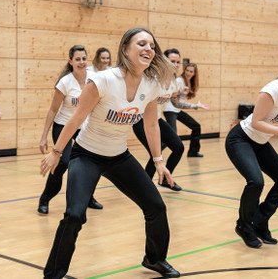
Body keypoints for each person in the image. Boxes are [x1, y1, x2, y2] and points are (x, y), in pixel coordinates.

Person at [40, 28, 180, 278]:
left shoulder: (151, 84)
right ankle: (53, 274)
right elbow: (76, 118)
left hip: (119, 156)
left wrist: (159, 161)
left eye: (151, 44)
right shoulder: (103, 80)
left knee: (156, 207)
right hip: (87, 155)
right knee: (74, 215)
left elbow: (151, 124)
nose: (149, 48)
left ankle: (154, 259)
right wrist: (56, 152)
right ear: (125, 49)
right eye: (141, 43)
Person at [225, 50, 278, 249]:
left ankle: (260, 222)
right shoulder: (272, 90)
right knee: (256, 182)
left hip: (260, 142)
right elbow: (255, 122)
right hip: (241, 139)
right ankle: (244, 226)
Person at [38, 45, 103, 214]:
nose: (81, 62)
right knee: (63, 162)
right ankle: (45, 198)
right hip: (63, 126)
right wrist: (44, 136)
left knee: (92, 163)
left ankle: (88, 197)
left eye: (84, 59)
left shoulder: (94, 78)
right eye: (77, 59)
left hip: (84, 127)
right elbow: (53, 110)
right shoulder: (65, 82)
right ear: (71, 61)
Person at [133, 48, 208, 191]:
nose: (175, 64)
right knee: (155, 153)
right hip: (141, 121)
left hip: (157, 120)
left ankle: (166, 180)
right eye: (172, 61)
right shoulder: (152, 79)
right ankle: (144, 187)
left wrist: (195, 106)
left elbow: (176, 103)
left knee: (178, 147)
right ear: (163, 61)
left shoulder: (173, 83)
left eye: (178, 62)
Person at [163, 61, 204, 157]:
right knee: (172, 135)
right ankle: (156, 152)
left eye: (191, 71)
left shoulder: (190, 82)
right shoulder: (178, 81)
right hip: (170, 110)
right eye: (187, 70)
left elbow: (181, 100)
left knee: (196, 126)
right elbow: (172, 97)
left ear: (194, 73)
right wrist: (181, 93)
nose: (188, 73)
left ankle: (193, 152)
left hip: (177, 110)